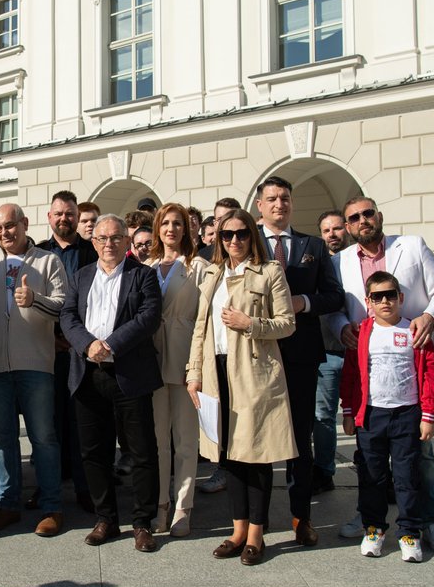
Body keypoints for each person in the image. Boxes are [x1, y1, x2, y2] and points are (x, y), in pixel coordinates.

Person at [326, 196, 434, 550]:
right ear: (348, 226)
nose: (362, 220)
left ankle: (430, 521)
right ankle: (372, 520)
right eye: (354, 217)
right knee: (371, 461)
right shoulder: (340, 261)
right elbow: (335, 309)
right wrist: (341, 329)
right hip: (369, 366)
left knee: (419, 458)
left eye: (368, 213)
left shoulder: (411, 246)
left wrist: (430, 316)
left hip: (413, 362)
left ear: (378, 216)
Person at [187, 209, 296, 566]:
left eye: (242, 234)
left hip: (253, 372)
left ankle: (256, 535)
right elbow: (200, 328)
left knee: (256, 454)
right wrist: (194, 372)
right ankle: (237, 530)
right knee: (228, 455)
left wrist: (250, 323)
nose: (234, 241)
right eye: (227, 235)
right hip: (216, 371)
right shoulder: (214, 274)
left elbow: (287, 324)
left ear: (253, 235)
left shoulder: (270, 271)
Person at [60, 214, 163, 553]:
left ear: (126, 241)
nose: (109, 244)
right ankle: (106, 518)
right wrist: (88, 344)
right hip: (89, 375)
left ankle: (143, 522)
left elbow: (148, 317)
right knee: (93, 451)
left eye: (116, 237)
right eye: (102, 238)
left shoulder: (144, 276)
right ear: (94, 242)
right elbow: (68, 316)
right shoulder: (80, 277)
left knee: (141, 451)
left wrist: (112, 344)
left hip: (128, 375)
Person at [255, 176, 342, 547]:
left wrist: (303, 302)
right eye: (272, 199)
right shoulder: (243, 242)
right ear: (259, 205)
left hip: (302, 356)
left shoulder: (313, 246)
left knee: (298, 440)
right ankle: (254, 522)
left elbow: (334, 296)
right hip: (256, 356)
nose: (279, 204)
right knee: (255, 440)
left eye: (285, 198)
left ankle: (301, 516)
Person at [0, 203, 68, 536]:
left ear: (25, 224)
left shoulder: (48, 260)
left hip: (36, 363)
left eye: (10, 226)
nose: (4, 234)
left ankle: (52, 507)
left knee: (43, 438)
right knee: (3, 439)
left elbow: (63, 306)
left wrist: (35, 300)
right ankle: (8, 504)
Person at [340, 271, 434, 562]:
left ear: (400, 297)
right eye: (377, 297)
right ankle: (373, 528)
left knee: (407, 476)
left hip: (406, 414)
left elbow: (432, 374)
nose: (384, 301)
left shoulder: (414, 331)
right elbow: (350, 376)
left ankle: (410, 532)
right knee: (371, 476)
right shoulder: (361, 333)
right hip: (371, 415)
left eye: (389, 295)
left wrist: (428, 415)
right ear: (368, 301)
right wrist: (348, 411)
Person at [146, 203, 209, 539]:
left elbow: (205, 320)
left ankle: (183, 507)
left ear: (187, 229)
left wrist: (197, 365)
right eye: (165, 223)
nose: (171, 229)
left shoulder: (200, 267)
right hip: (152, 358)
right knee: (158, 439)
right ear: (157, 228)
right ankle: (161, 505)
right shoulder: (146, 266)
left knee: (186, 439)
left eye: (178, 224)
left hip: (186, 356)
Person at [36, 190, 97, 513]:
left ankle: (87, 488)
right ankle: (51, 487)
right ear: (49, 217)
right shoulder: (39, 253)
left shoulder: (92, 252)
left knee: (82, 423)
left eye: (69, 214)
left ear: (77, 216)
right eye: (58, 214)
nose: (64, 219)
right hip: (46, 349)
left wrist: (77, 339)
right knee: (49, 422)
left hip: (83, 349)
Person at [313, 210, 348, 496]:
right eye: (327, 230)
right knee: (323, 415)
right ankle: (324, 471)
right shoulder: (317, 263)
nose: (332, 234)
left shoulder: (353, 261)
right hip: (328, 350)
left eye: (337, 229)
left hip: (362, 351)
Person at [197, 198, 241, 262]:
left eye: (229, 218)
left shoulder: (251, 250)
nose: (225, 223)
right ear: (215, 224)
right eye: (220, 219)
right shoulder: (202, 257)